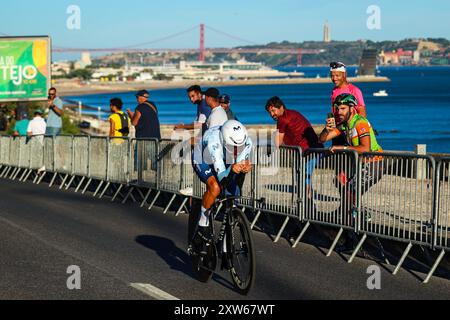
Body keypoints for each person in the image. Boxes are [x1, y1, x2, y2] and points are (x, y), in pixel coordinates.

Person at [319, 93, 383, 252]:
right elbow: (322, 139)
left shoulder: (359, 123)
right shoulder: (344, 124)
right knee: (341, 185)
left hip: (374, 164)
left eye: (342, 108)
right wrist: (327, 130)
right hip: (362, 166)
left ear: (352, 108)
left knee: (348, 196)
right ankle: (360, 216)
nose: (339, 111)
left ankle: (352, 240)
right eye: (337, 108)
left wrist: (342, 148)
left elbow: (365, 148)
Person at [190, 120, 253, 256]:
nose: (237, 151)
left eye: (239, 148)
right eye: (233, 147)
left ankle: (224, 241)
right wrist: (234, 167)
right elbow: (223, 178)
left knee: (233, 195)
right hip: (202, 157)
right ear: (225, 142)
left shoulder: (247, 142)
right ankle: (202, 223)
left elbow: (238, 167)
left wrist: (244, 167)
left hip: (224, 159)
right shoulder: (214, 142)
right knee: (215, 188)